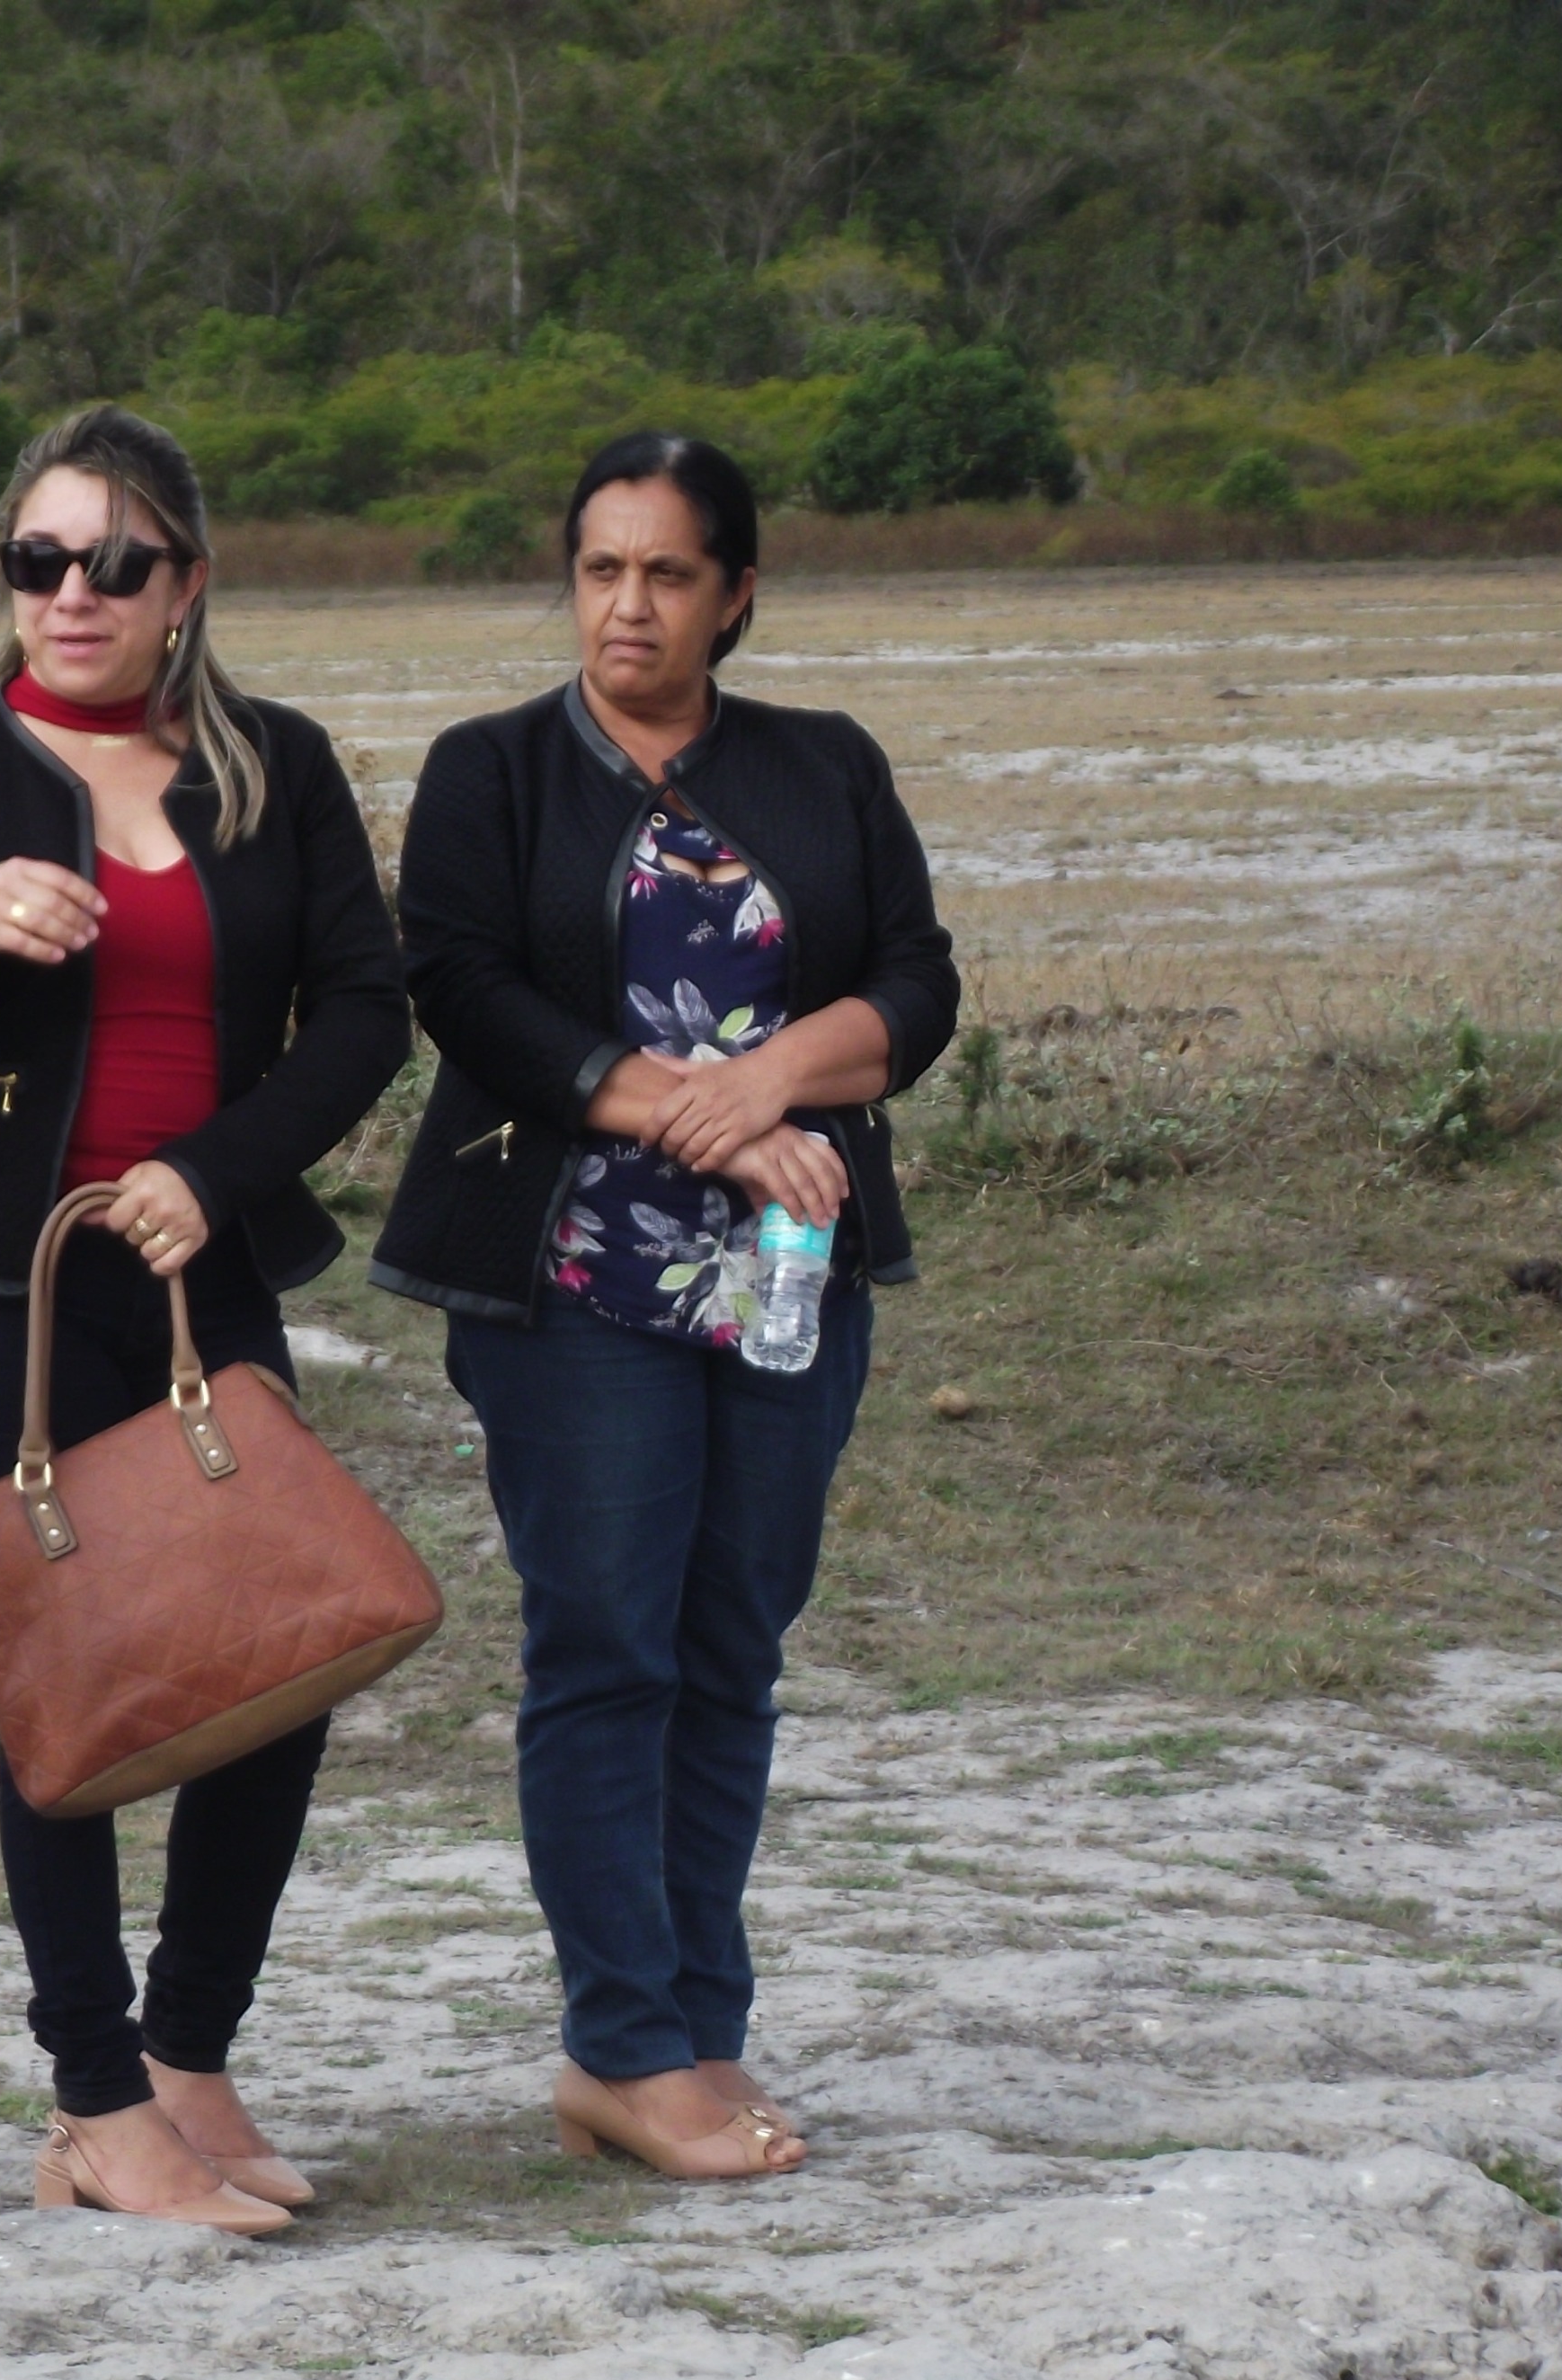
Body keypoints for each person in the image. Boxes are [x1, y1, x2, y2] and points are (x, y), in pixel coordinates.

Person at [0, 406, 409, 2233]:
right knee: (73, 1664)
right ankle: (96, 2097)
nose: (70, 593)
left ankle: (191, 2055)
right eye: (36, 560)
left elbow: (364, 1012)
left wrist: (217, 1166)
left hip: (199, 1272)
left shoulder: (272, 767)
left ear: (184, 586)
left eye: (112, 563)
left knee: (276, 1646)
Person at [368, 433, 959, 2178]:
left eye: (667, 573)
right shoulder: (492, 772)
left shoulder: (820, 764)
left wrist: (772, 1076)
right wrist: (681, 1109)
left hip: (788, 1273)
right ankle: (619, 2043)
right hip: (573, 1278)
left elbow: (913, 981)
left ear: (735, 593)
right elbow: (455, 984)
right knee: (606, 1647)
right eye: (600, 569)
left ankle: (699, 2024)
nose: (628, 604)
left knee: (731, 1648)